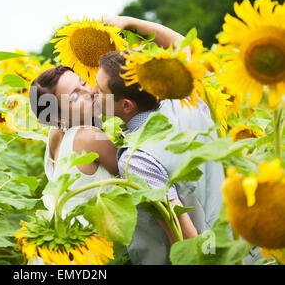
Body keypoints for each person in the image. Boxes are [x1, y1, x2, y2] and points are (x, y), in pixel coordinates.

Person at [93, 16, 263, 265]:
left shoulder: (138, 158)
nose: (92, 93)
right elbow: (183, 45)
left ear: (126, 106)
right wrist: (129, 22)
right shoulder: (185, 99)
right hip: (247, 244)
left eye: (100, 91)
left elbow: (184, 238)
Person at [29, 65, 119, 223]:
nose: (90, 92)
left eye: (83, 83)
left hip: (73, 234)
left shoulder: (55, 134)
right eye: (74, 97)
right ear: (58, 117)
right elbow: (134, 173)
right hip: (101, 241)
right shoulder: (88, 137)